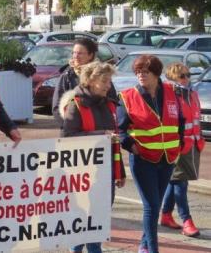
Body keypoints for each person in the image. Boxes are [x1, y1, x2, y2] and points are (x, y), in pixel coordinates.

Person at [117, 54, 183, 253]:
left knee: (156, 205)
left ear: (156, 73)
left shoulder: (172, 92)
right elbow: (120, 130)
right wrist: (132, 147)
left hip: (168, 158)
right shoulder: (127, 96)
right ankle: (153, 249)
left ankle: (144, 246)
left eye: (145, 72)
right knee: (151, 206)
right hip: (143, 160)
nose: (140, 75)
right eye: (137, 72)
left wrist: (178, 145)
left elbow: (179, 122)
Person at [59, 61, 125, 253]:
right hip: (83, 174)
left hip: (106, 172)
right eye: (104, 81)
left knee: (98, 218)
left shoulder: (110, 105)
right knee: (82, 218)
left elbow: (114, 143)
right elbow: (68, 139)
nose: (108, 85)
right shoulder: (76, 105)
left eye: (109, 81)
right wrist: (100, 135)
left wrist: (119, 172)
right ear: (90, 80)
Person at [160, 62, 204, 237]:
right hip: (177, 146)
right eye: (182, 76)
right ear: (172, 78)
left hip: (192, 145)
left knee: (175, 180)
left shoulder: (192, 94)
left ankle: (165, 214)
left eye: (188, 75)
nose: (186, 79)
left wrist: (198, 141)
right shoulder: (170, 96)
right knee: (180, 182)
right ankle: (187, 220)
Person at [52, 38, 117, 126]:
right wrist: (69, 124)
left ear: (91, 55)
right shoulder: (67, 76)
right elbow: (56, 107)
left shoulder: (102, 74)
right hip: (74, 130)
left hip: (100, 129)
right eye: (74, 53)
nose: (75, 56)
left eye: (80, 53)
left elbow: (112, 101)